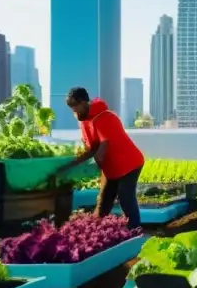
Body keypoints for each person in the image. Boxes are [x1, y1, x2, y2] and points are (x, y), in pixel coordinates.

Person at [54, 87, 145, 229]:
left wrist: (90, 170)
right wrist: (70, 165)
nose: (74, 111)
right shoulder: (84, 120)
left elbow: (102, 149)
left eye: (75, 107)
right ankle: (96, 232)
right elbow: (91, 149)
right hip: (112, 168)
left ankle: (135, 231)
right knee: (104, 200)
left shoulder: (105, 117)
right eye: (71, 108)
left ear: (84, 102)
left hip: (129, 164)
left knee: (125, 196)